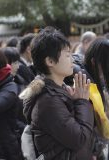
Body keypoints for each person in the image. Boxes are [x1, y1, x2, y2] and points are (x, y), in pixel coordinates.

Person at [20, 27, 94, 159]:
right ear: (50, 61)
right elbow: (79, 139)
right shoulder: (48, 101)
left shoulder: (58, 90)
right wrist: (82, 101)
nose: (72, 60)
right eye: (67, 55)